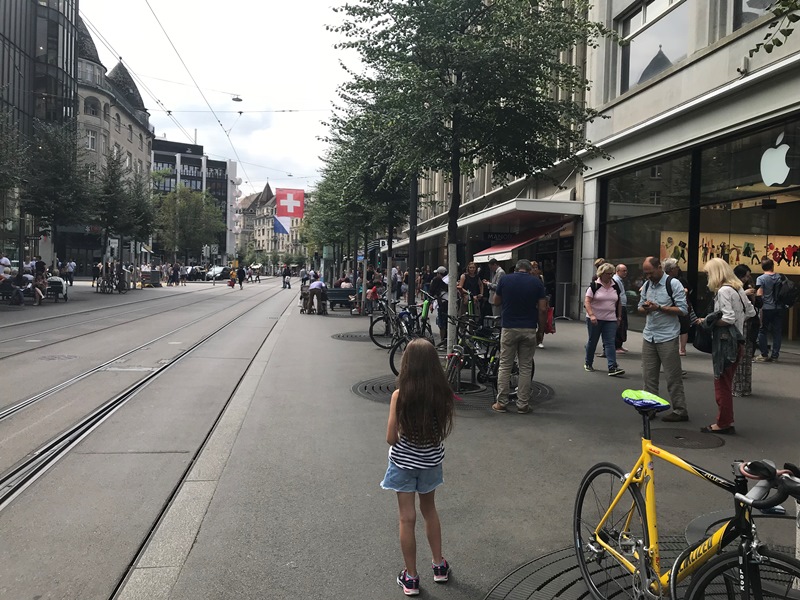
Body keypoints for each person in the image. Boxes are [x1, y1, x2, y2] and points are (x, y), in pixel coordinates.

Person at [381, 338, 454, 596]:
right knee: (429, 510)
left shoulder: (400, 396)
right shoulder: (441, 395)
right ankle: (439, 566)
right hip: (430, 462)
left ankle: (411, 578)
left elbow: (391, 438)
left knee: (406, 517)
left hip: (403, 464)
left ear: (407, 365)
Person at [695, 258, 755, 434]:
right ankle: (725, 421)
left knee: (722, 383)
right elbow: (751, 311)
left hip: (725, 342)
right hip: (738, 341)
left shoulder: (722, 291)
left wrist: (707, 321)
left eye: (708, 273)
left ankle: (723, 423)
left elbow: (727, 318)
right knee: (726, 382)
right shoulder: (737, 288)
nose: (706, 277)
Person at [491, 259, 548, 414]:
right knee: (525, 366)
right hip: (529, 328)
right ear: (529, 270)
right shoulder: (536, 283)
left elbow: (496, 301)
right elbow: (543, 309)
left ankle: (501, 402)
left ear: (515, 269)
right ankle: (522, 404)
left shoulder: (505, 279)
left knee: (505, 365)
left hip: (509, 327)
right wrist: (540, 331)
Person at [638, 256, 690, 422]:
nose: (648, 276)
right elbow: (639, 306)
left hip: (667, 335)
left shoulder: (673, 284)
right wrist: (645, 308)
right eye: (646, 273)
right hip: (650, 334)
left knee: (672, 376)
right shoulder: (647, 284)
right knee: (649, 376)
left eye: (650, 273)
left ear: (659, 267)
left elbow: (683, 310)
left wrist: (659, 307)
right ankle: (651, 407)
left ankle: (680, 410)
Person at [584, 262, 625, 376]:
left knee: (610, 342)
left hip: (610, 319)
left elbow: (619, 302)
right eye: (608, 274)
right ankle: (588, 362)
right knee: (593, 341)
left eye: (611, 274)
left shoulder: (615, 285)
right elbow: (587, 301)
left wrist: (619, 317)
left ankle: (612, 366)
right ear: (601, 274)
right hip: (595, 319)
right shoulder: (594, 286)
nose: (610, 276)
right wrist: (592, 315)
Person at [733, 264, 758, 397]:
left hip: (749, 323)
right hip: (739, 323)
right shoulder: (733, 288)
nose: (747, 279)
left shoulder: (748, 286)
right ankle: (737, 386)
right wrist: (744, 293)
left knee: (747, 354)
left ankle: (745, 386)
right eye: (746, 276)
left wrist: (753, 298)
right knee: (738, 354)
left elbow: (756, 306)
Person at [755, 258, 783, 362]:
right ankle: (775, 355)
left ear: (762, 267)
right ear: (772, 266)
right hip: (778, 308)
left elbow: (760, 293)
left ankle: (764, 354)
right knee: (777, 332)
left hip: (765, 308)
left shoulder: (761, 278)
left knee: (762, 331)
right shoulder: (780, 277)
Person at [664, 258, 692, 356]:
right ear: (671, 269)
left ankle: (681, 349)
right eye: (676, 267)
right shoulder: (667, 281)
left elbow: (687, 290)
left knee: (683, 327)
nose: (678, 269)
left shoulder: (680, 279)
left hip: (679, 307)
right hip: (670, 310)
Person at [429, 267, 449, 348]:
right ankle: (446, 340)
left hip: (442, 304)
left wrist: (432, 303)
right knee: (447, 322)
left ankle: (443, 341)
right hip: (447, 304)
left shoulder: (439, 280)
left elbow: (433, 292)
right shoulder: (447, 281)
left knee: (442, 324)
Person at [613, 264, 629, 353]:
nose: (625, 273)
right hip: (620, 305)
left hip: (623, 304)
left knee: (623, 325)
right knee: (620, 325)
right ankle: (616, 346)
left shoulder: (620, 280)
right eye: (623, 271)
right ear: (618, 271)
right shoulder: (616, 280)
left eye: (626, 270)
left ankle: (619, 345)